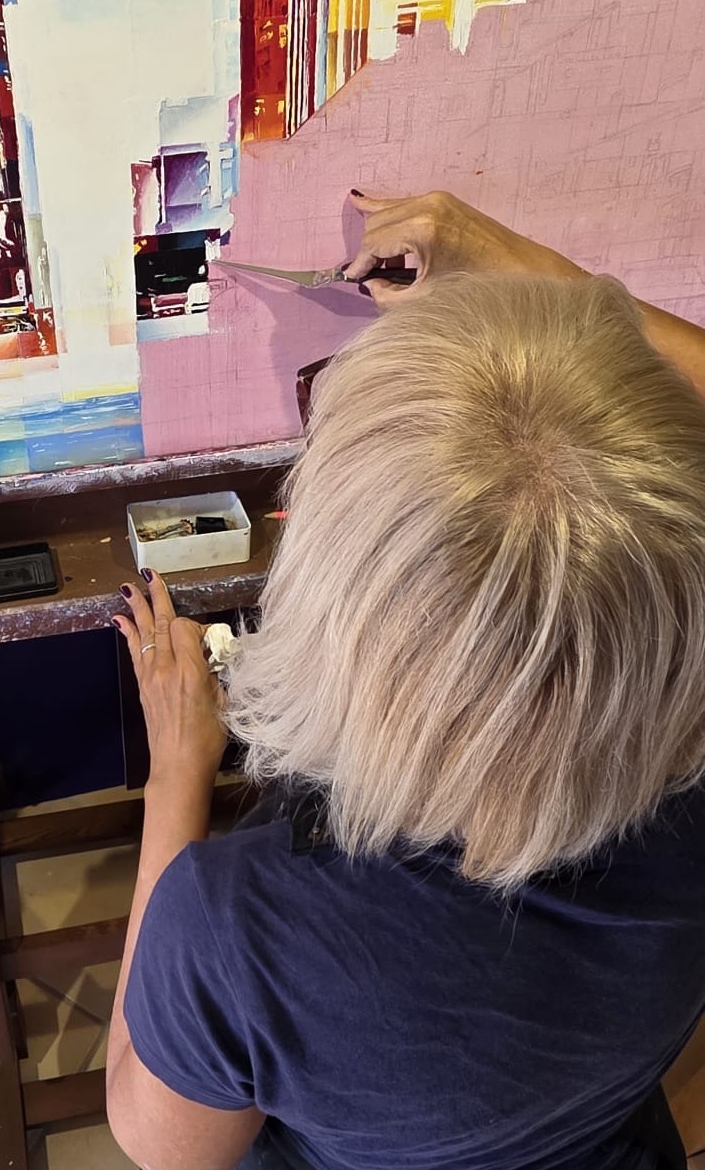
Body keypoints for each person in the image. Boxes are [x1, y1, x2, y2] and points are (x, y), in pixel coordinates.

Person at [105, 192, 705, 1170]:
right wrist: (524, 271)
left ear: (333, 615)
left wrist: (177, 768)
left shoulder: (240, 931)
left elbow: (160, 1145)